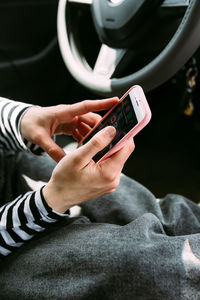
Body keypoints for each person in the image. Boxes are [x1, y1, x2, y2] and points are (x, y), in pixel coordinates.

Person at [0, 96, 200, 299]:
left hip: (9, 163)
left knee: (162, 213)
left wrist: (20, 119)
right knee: (154, 268)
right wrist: (51, 200)